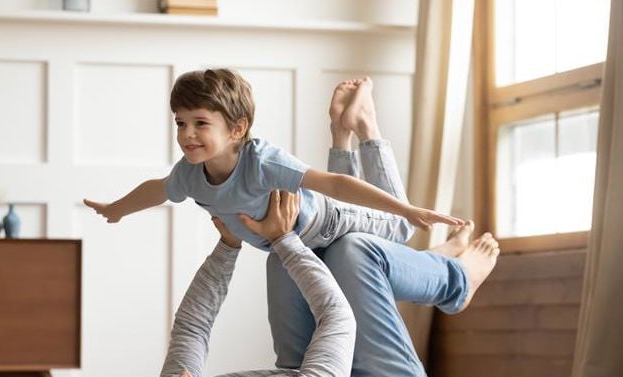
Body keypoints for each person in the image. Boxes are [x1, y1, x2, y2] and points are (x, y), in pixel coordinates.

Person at [120, 186, 499, 377]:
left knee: (284, 262)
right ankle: (455, 281)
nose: (189, 376)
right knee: (352, 252)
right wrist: (283, 238)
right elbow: (338, 318)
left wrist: (228, 244)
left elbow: (192, 327)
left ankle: (424, 262)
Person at [83, 69, 464, 252]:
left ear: (237, 129)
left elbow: (333, 185)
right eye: (181, 123)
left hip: (328, 222)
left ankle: (365, 127)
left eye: (201, 123)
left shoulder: (261, 161)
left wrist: (406, 208)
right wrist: (117, 209)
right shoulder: (190, 174)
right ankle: (344, 129)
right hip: (298, 242)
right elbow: (158, 190)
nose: (187, 134)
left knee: (401, 230)